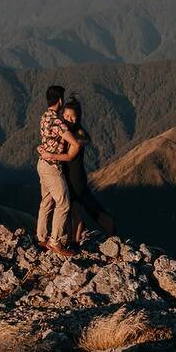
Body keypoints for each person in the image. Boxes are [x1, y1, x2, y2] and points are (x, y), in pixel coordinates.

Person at [40, 96, 116, 245]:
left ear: (78, 117)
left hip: (75, 178)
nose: (69, 119)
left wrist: (50, 155)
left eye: (72, 117)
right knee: (74, 209)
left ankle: (75, 241)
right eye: (66, 116)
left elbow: (69, 156)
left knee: (77, 210)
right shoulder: (67, 131)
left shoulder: (79, 135)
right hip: (68, 176)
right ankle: (72, 239)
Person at [35, 85, 78, 257]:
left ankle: (42, 237)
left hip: (41, 164)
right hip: (52, 167)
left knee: (47, 202)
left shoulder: (45, 117)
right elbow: (74, 144)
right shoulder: (58, 122)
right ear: (60, 100)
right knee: (64, 203)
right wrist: (62, 156)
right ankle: (56, 242)